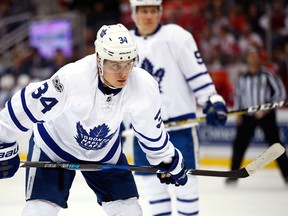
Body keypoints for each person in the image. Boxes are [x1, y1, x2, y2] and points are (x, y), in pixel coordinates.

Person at [0, 23, 189, 216]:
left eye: (128, 63)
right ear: (99, 59)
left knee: (129, 211)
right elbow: (27, 104)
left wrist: (166, 158)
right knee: (40, 210)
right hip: (54, 146)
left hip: (104, 151)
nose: (123, 72)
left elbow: (150, 129)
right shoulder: (73, 78)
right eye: (115, 64)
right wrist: (3, 141)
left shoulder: (143, 85)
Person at [128, 1, 228, 215]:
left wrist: (211, 98)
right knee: (154, 191)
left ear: (160, 12)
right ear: (134, 13)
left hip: (180, 128)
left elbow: (197, 73)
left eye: (153, 11)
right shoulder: (124, 42)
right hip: (143, 131)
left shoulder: (177, 37)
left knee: (187, 188)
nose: (149, 16)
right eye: (143, 11)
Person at [226, 45, 288, 185]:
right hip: (247, 115)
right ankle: (232, 175)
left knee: (276, 146)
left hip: (265, 115)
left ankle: (287, 175)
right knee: (239, 145)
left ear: (259, 58)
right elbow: (238, 96)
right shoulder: (242, 78)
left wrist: (267, 108)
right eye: (250, 55)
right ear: (247, 58)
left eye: (255, 55)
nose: (253, 58)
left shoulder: (268, 75)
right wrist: (238, 113)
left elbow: (281, 93)